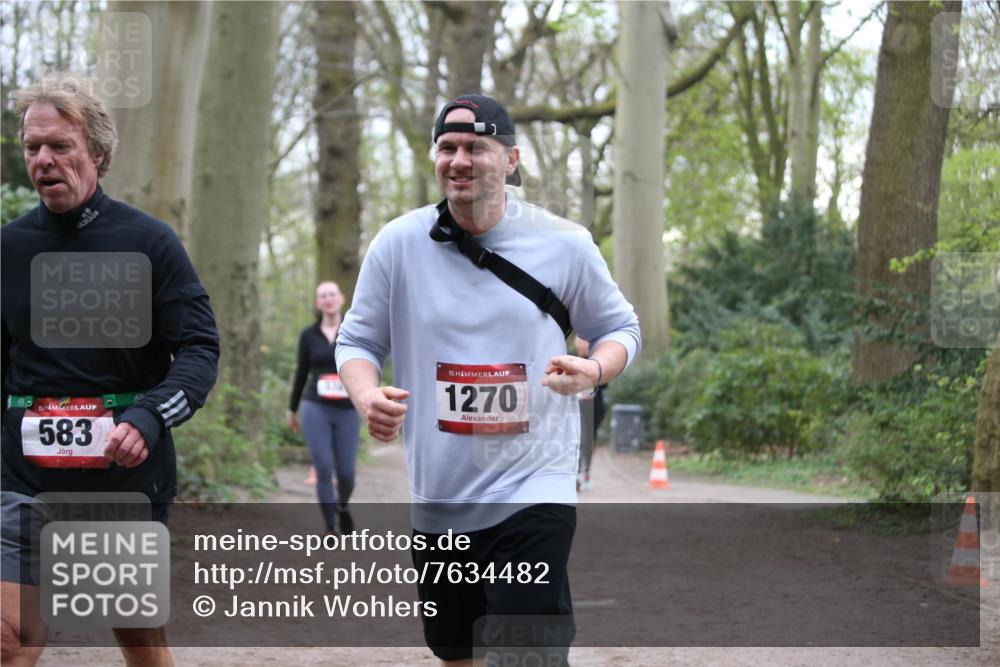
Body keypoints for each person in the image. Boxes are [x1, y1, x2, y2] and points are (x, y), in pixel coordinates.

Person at [336, 93, 640, 665]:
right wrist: (366, 394)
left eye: (476, 147)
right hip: (441, 490)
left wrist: (596, 368)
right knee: (456, 653)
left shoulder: (564, 243)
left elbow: (620, 328)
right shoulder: (398, 244)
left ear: (511, 159)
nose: (460, 160)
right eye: (447, 148)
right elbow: (357, 342)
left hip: (535, 480)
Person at [1, 73, 219, 667]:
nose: (43, 160)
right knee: (9, 640)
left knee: (139, 638)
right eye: (32, 147)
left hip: (121, 481)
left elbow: (199, 349)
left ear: (97, 153)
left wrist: (148, 418)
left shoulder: (149, 243)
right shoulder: (9, 249)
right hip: (23, 480)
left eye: (60, 146)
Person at [287, 281, 360, 535]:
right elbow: (301, 373)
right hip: (315, 407)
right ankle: (330, 527)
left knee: (347, 473)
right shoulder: (308, 335)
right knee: (324, 466)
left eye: (331, 294)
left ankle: (342, 506)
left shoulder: (353, 330)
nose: (327, 299)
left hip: (347, 409)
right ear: (318, 303)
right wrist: (292, 409)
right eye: (322, 296)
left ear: (341, 298)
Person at [575, 338, 608, 492]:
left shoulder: (598, 360)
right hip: (577, 407)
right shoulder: (570, 359)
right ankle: (576, 473)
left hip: (594, 407)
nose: (582, 345)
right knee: (579, 439)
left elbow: (604, 383)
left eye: (585, 342)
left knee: (588, 440)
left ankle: (586, 473)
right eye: (580, 341)